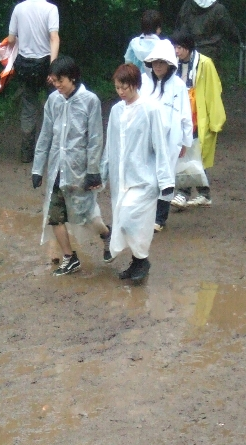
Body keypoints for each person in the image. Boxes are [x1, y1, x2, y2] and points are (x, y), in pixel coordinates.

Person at [31, 56, 112, 276]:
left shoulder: (90, 101)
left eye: (61, 81)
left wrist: (93, 171)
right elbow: (46, 134)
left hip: (80, 169)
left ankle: (106, 235)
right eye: (54, 81)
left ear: (73, 78)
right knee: (54, 215)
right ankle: (69, 257)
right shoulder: (53, 101)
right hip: (58, 168)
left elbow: (95, 138)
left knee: (85, 214)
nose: (57, 85)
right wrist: (38, 168)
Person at [101, 64, 172, 282]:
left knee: (131, 218)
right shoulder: (116, 111)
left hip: (144, 177)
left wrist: (165, 179)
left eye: (125, 88)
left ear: (135, 85)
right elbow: (110, 145)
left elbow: (160, 145)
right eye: (117, 88)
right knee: (124, 219)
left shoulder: (151, 109)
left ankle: (143, 260)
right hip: (122, 177)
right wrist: (101, 173)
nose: (121, 92)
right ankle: (137, 261)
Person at [140, 39, 192, 230]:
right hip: (148, 138)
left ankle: (160, 218)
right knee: (147, 175)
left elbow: (185, 115)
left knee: (165, 175)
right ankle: (146, 213)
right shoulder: (145, 84)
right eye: (155, 62)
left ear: (170, 63)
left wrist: (185, 141)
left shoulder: (178, 85)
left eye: (162, 62)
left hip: (170, 139)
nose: (158, 66)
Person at [171, 30, 226, 210]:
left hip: (197, 114)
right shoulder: (174, 64)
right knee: (189, 152)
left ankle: (183, 193)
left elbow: (213, 90)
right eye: (175, 47)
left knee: (191, 151)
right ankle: (203, 193)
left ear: (187, 47)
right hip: (182, 113)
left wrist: (215, 119)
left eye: (179, 47)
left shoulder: (205, 64)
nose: (176, 51)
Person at [7, 0, 60, 162]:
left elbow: (10, 39)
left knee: (28, 106)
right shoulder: (51, 9)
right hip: (45, 63)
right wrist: (54, 68)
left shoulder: (18, 9)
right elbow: (53, 38)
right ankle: (55, 150)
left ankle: (26, 152)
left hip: (25, 65)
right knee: (54, 106)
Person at [174, 0, 241, 63]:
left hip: (189, 52)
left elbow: (179, 27)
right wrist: (239, 40)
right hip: (211, 54)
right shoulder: (219, 9)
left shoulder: (187, 5)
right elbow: (230, 30)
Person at [124, 9, 162, 76]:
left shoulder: (134, 43)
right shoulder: (162, 45)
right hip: (156, 84)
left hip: (136, 82)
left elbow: (128, 64)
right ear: (158, 28)